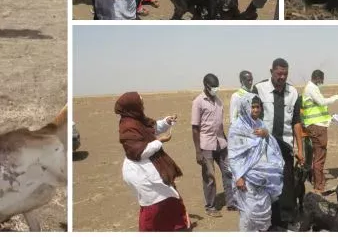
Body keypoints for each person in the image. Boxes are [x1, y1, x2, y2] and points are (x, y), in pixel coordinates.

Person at [115, 92, 189, 231]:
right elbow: (139, 152)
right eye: (140, 103)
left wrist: (166, 122)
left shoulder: (137, 120)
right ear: (133, 106)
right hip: (141, 173)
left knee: (168, 199)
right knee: (153, 207)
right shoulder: (127, 126)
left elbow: (152, 128)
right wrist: (159, 141)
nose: (142, 106)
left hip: (152, 168)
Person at [256, 58, 305, 229]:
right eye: (279, 74)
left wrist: (300, 148)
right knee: (266, 182)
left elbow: (296, 122)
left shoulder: (293, 93)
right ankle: (266, 218)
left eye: (285, 74)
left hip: (285, 147)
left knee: (286, 182)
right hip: (264, 146)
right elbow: (252, 118)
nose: (282, 77)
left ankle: (285, 219)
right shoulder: (259, 89)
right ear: (271, 72)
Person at [228, 95, 284, 232]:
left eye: (258, 107)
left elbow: (271, 148)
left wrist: (267, 135)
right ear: (245, 108)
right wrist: (238, 176)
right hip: (246, 177)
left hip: (263, 177)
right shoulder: (237, 127)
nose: (255, 110)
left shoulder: (261, 124)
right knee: (248, 213)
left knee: (263, 209)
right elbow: (233, 155)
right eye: (252, 107)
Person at [192, 73, 237, 217]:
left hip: (220, 143)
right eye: (213, 87)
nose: (216, 89)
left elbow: (219, 125)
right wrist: (198, 151)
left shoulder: (218, 101)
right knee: (209, 176)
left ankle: (231, 202)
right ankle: (210, 206)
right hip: (206, 144)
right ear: (206, 86)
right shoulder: (198, 102)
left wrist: (225, 142)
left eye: (217, 87)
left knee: (228, 171)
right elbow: (195, 128)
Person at [301, 70, 338, 192]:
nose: (322, 82)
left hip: (317, 125)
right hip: (317, 127)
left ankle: (318, 181)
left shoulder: (312, 89)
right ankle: (319, 186)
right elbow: (322, 102)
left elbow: (320, 109)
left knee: (318, 155)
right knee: (320, 156)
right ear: (317, 78)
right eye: (321, 80)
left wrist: (332, 117)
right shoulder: (311, 89)